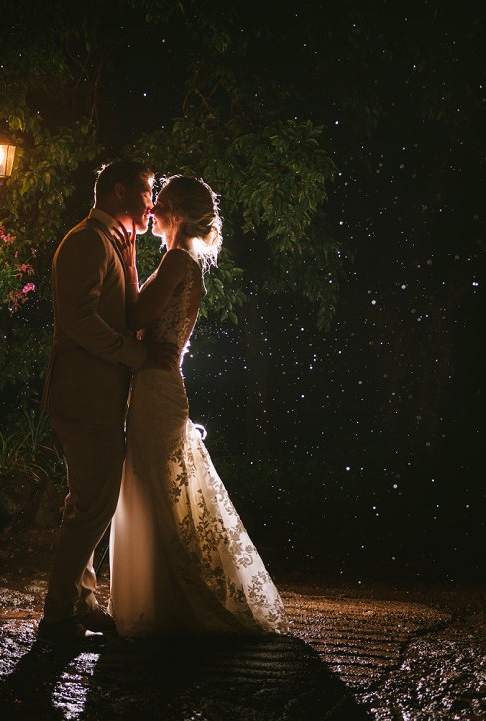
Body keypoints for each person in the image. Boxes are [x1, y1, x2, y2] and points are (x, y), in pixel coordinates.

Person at [109, 175, 289, 637]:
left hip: (156, 388)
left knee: (154, 487)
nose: (151, 210)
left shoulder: (176, 261)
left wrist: (127, 261)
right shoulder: (183, 261)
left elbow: (135, 316)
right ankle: (161, 597)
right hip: (159, 384)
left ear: (178, 214)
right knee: (156, 487)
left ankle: (174, 601)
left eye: (160, 203)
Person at [39, 160, 178, 644]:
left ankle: (80, 601)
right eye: (147, 192)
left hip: (98, 397)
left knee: (88, 501)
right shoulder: (86, 241)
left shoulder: (115, 241)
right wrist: (138, 356)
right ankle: (57, 614)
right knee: (94, 505)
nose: (152, 203)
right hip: (83, 396)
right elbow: (78, 321)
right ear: (119, 191)